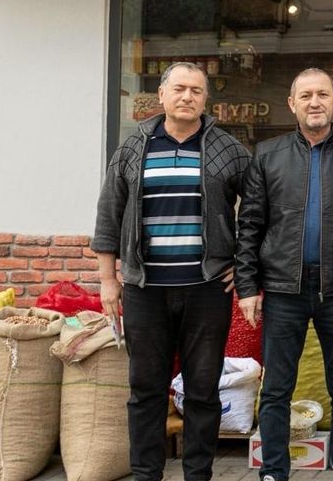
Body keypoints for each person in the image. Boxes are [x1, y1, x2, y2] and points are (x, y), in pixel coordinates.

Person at [92, 61, 251, 481]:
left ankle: (198, 474)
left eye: (196, 90)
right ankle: (147, 474)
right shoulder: (133, 148)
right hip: (145, 288)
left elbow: (258, 211)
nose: (187, 97)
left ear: (206, 99)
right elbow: (108, 214)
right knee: (146, 388)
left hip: (207, 289)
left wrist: (242, 261)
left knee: (203, 389)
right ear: (161, 95)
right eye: (179, 88)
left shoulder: (228, 150)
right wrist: (108, 279)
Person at [234, 68, 333, 481]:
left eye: (322, 94)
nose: (314, 102)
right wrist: (247, 287)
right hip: (283, 289)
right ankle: (274, 471)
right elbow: (250, 225)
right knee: (276, 389)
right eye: (306, 95)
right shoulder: (267, 155)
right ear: (292, 104)